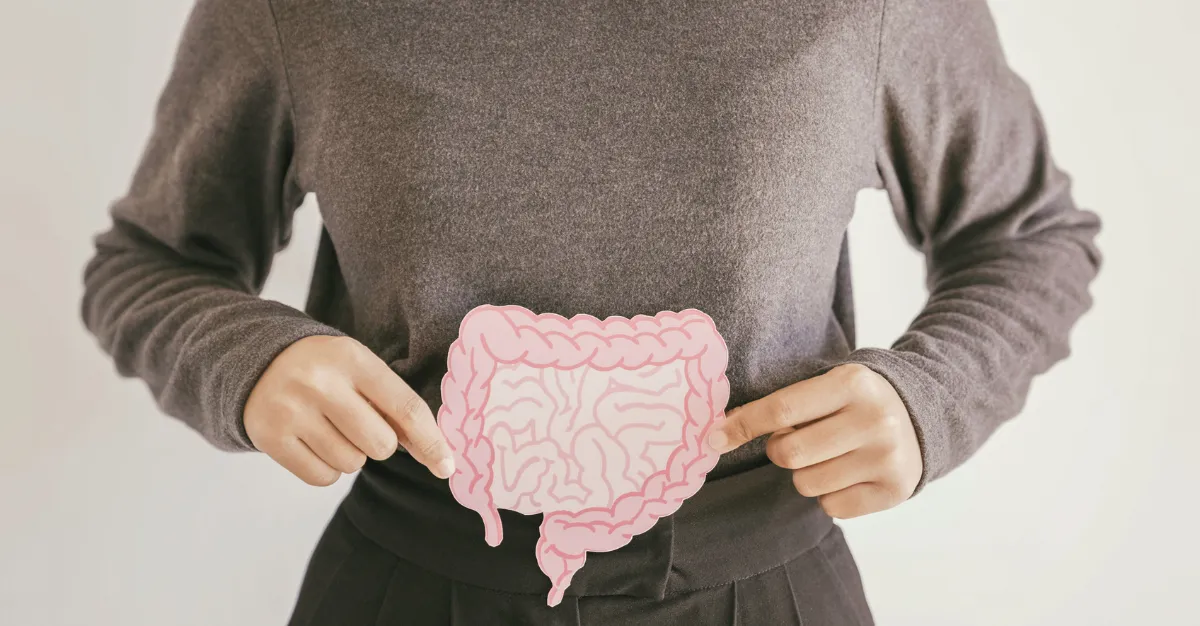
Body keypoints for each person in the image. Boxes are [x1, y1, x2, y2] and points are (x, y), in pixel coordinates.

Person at [81, 0, 1102, 623]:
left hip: (766, 584)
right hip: (412, 581)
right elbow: (150, 261)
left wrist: (933, 396)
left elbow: (1030, 237)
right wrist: (244, 358)